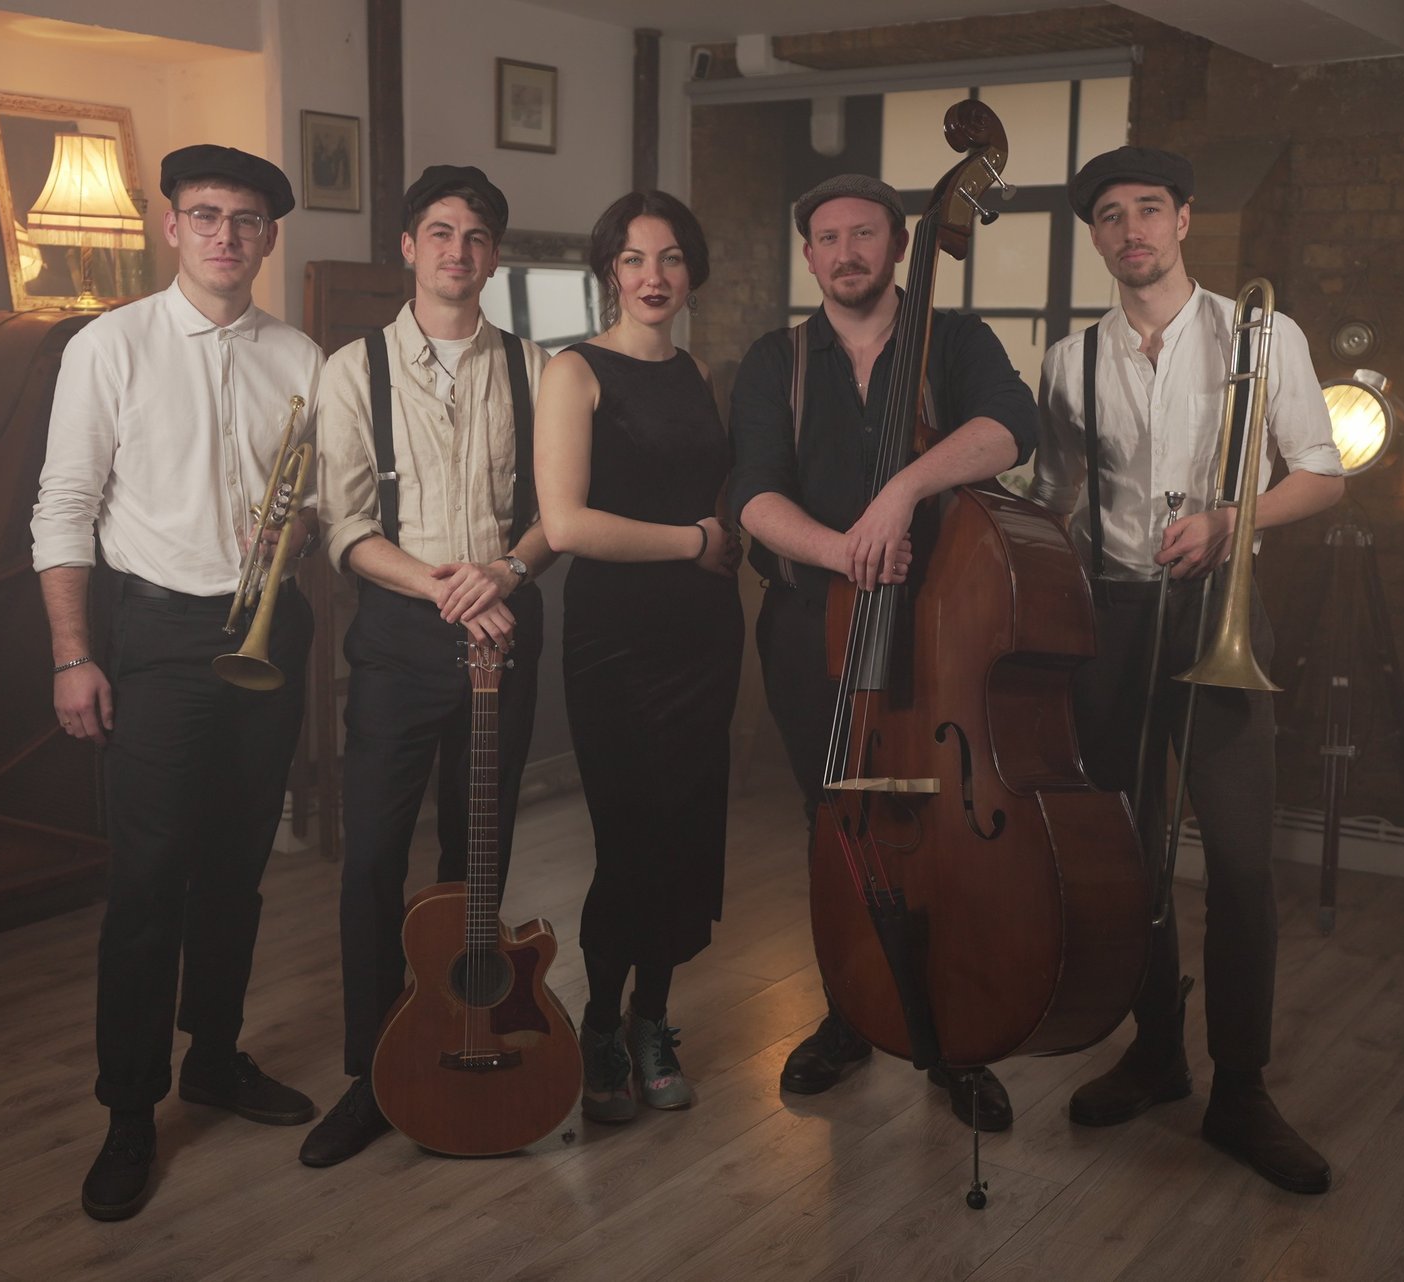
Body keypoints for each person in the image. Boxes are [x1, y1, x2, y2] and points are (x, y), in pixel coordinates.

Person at [1031, 145, 1345, 1195]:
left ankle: (1242, 1086)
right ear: (1097, 235)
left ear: (1186, 220)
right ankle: (1157, 1051)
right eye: (1111, 216)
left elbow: (1322, 473)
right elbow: (1057, 495)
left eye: (1149, 210)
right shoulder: (1069, 359)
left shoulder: (1263, 333)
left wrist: (1226, 520)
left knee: (1245, 866)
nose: (1131, 230)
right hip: (1114, 618)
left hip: (1222, 614)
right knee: (1131, 858)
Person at [31, 144, 323, 1221]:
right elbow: (63, 508)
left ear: (268, 237)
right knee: (147, 887)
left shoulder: (301, 355)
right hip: (154, 634)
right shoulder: (109, 346)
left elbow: (329, 500)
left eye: (246, 220)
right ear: (170, 226)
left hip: (267, 630)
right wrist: (73, 653)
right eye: (205, 215)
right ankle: (128, 1108)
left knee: (235, 872)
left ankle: (215, 1056)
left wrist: (304, 522)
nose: (225, 236)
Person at [727, 174, 1038, 1133]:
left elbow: (1009, 429)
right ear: (810, 256)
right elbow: (752, 496)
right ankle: (852, 1013)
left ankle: (958, 1033)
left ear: (900, 245)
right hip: (808, 628)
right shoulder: (775, 360)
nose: (847, 251)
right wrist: (847, 553)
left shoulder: (959, 340)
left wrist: (902, 488)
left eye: (866, 233)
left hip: (944, 631)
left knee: (947, 826)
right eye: (828, 237)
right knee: (841, 823)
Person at [303, 164, 555, 1167]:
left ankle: (466, 1036)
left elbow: (550, 518)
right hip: (402, 642)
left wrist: (502, 576)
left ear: (496, 255)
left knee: (475, 864)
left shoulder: (541, 368)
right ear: (408, 247)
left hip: (506, 629)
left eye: (478, 235)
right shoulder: (348, 369)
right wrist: (447, 588)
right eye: (440, 232)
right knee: (370, 863)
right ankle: (371, 1073)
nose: (459, 250)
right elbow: (348, 528)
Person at [533, 191, 745, 1122]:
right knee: (629, 838)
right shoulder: (573, 372)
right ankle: (600, 1025)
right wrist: (697, 543)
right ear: (607, 272)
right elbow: (569, 523)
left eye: (668, 259)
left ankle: (655, 1018)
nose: (652, 277)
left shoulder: (697, 367)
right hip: (615, 642)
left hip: (703, 638)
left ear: (690, 271)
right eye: (632, 260)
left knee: (686, 834)